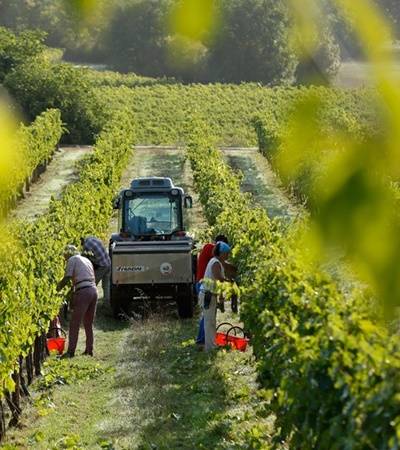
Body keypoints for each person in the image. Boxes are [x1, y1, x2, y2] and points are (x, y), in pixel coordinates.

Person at [57, 245, 98, 358]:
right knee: (88, 323)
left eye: (65, 256)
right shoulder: (86, 260)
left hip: (83, 291)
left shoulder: (72, 259)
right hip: (93, 291)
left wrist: (57, 289)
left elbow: (67, 278)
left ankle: (71, 352)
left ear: (68, 253)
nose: (65, 259)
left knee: (74, 323)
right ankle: (89, 350)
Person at [195, 234, 228, 346]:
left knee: (210, 319)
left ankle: (207, 343)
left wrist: (221, 297)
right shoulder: (212, 254)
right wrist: (231, 281)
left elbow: (218, 282)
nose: (227, 256)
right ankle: (204, 343)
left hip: (208, 290)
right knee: (208, 320)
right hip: (205, 289)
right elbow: (219, 278)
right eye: (227, 253)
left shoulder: (215, 261)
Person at [81, 236, 111, 302]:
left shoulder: (86, 246)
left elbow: (84, 260)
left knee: (92, 284)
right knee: (106, 285)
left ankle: (89, 302)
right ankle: (107, 304)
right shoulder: (91, 238)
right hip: (108, 262)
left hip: (102, 266)